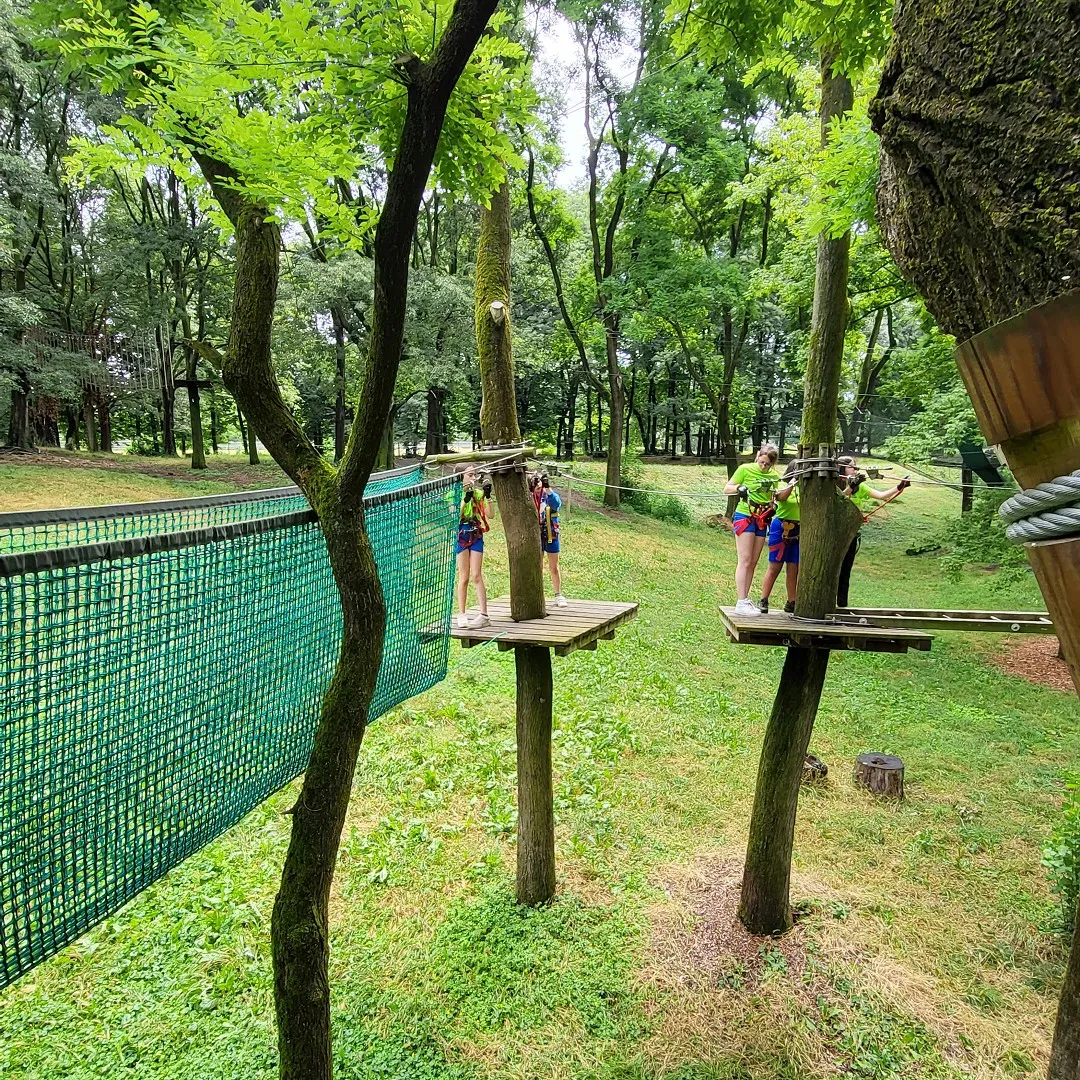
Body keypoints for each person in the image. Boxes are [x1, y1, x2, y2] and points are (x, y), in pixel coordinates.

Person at [836, 455, 911, 607]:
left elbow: (881, 496)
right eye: (852, 467)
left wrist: (900, 486)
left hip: (851, 534)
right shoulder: (832, 484)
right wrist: (851, 486)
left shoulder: (860, 487)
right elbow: (838, 500)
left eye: (856, 467)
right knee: (833, 570)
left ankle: (842, 605)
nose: (855, 469)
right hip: (834, 535)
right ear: (842, 468)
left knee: (846, 571)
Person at [724, 443, 781, 617]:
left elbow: (772, 495)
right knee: (745, 559)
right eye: (761, 462)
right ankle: (740, 600)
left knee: (754, 561)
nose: (763, 467)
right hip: (745, 515)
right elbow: (727, 488)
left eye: (767, 464)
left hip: (762, 518)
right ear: (758, 456)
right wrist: (739, 488)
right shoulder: (745, 469)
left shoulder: (773, 476)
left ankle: (745, 599)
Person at [455, 465, 493, 629]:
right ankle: (461, 613)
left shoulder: (478, 494)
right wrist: (465, 500)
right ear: (461, 477)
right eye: (469, 475)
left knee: (476, 574)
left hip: (476, 533)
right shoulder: (454, 495)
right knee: (463, 576)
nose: (473, 478)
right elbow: (455, 516)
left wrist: (488, 496)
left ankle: (484, 615)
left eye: (474, 475)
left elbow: (490, 515)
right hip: (461, 535)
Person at [759, 468, 799, 615]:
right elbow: (781, 497)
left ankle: (791, 601)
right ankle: (764, 599)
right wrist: (793, 483)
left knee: (793, 567)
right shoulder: (784, 487)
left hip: (798, 529)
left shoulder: (806, 489)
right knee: (775, 566)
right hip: (781, 527)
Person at [530, 472, 568, 608]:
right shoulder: (530, 497)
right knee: (537, 566)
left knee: (554, 567)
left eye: (540, 481)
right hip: (536, 534)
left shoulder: (549, 495)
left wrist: (547, 488)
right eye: (536, 482)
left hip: (551, 533)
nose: (538, 484)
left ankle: (558, 594)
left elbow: (556, 504)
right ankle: (536, 594)